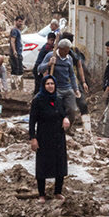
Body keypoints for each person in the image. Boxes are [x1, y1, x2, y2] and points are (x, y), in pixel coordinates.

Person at [30, 75, 71, 203]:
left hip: (58, 136)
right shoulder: (38, 100)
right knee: (42, 164)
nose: (50, 86)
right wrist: (33, 138)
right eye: (47, 84)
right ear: (43, 85)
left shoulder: (58, 99)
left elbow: (64, 112)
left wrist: (66, 118)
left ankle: (58, 191)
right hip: (44, 136)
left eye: (52, 84)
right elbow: (32, 121)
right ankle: (41, 194)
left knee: (60, 163)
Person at [37, 39, 81, 122]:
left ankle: (68, 128)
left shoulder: (69, 59)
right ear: (60, 48)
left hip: (67, 87)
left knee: (72, 110)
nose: (66, 52)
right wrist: (49, 64)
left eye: (68, 50)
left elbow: (72, 75)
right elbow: (39, 69)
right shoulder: (51, 55)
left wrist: (76, 89)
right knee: (57, 110)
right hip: (55, 88)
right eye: (65, 50)